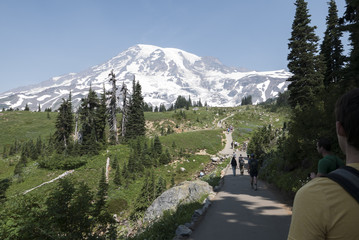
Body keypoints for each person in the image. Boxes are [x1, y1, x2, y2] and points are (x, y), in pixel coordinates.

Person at [288, 88, 359, 239]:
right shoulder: (337, 160)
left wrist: (314, 178)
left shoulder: (313, 195)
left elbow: (322, 178)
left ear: (340, 129)